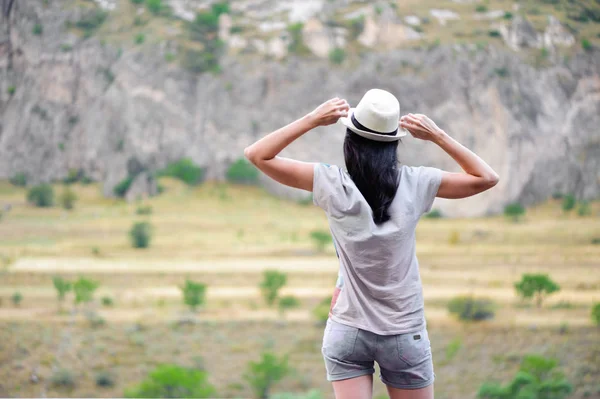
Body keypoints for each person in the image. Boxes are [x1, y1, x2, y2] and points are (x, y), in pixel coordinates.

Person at [244, 89, 499, 399]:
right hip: (403, 331)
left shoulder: (331, 183)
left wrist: (312, 120)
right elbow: (486, 177)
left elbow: (257, 154)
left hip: (347, 330)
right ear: (393, 144)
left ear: (350, 141)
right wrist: (438, 136)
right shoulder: (417, 182)